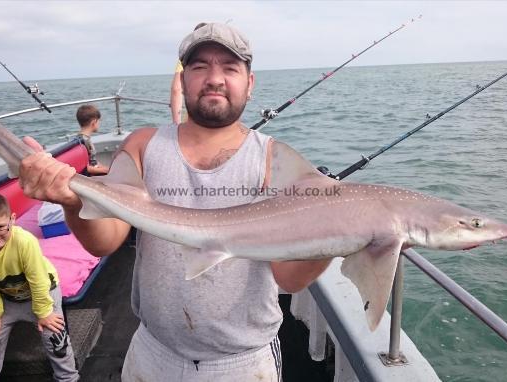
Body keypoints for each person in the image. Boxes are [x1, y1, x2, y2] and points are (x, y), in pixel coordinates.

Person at [18, 22, 332, 381]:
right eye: (200, 67)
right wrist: (71, 202)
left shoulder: (275, 161)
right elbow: (104, 241)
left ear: (250, 83)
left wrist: (334, 238)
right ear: (183, 82)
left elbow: (288, 279)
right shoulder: (142, 145)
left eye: (230, 68)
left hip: (243, 361)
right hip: (153, 351)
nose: (215, 78)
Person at [0, 192, 79, 382]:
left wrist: (43, 313)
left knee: (55, 335)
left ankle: (68, 378)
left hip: (41, 294)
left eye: (0, 227)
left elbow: (39, 280)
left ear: (12, 219)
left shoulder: (25, 241)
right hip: (8, 298)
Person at [170, 23, 208, 125]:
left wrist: (176, 124)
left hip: (193, 125)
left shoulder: (186, 58)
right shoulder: (223, 57)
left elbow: (176, 89)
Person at [76, 104, 109, 175]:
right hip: (91, 177)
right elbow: (87, 169)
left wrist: (106, 168)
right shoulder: (84, 142)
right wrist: (107, 171)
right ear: (94, 122)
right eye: (99, 121)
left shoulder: (81, 139)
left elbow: (92, 161)